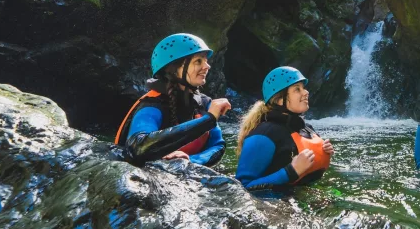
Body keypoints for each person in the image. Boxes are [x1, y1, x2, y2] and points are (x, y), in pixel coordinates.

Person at [115, 33, 231, 166]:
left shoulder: (204, 103)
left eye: (205, 60)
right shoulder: (152, 106)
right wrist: (208, 120)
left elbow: (218, 145)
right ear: (174, 69)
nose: (207, 66)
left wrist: (190, 160)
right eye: (198, 61)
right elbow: (137, 147)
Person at [234, 66, 334, 189]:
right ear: (280, 100)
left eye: (303, 88)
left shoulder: (306, 128)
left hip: (303, 196)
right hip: (271, 204)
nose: (306, 92)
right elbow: (243, 187)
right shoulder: (263, 134)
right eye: (297, 89)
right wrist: (291, 171)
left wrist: (323, 151)